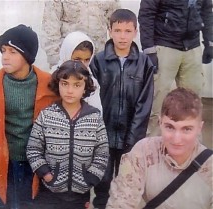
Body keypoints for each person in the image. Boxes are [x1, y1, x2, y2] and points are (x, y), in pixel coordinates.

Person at [0, 24, 58, 209]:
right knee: (8, 203)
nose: (5, 56)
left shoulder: (49, 85)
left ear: (27, 56)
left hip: (37, 161)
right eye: (3, 50)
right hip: (6, 161)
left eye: (12, 51)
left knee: (34, 204)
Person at [89, 9, 155, 209]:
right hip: (104, 135)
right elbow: (92, 100)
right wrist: (98, 132)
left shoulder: (144, 63)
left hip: (130, 137)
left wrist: (133, 139)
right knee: (103, 182)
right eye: (117, 30)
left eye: (127, 31)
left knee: (127, 182)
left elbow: (144, 105)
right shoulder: (98, 61)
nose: (122, 36)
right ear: (109, 31)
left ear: (136, 31)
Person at [106, 87, 212, 209]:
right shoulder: (144, 151)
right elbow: (120, 202)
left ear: (200, 128)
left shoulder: (210, 167)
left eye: (187, 129)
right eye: (170, 127)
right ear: (160, 123)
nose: (176, 139)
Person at [26, 60, 109, 209]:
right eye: (65, 83)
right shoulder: (47, 115)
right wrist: (46, 174)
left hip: (80, 195)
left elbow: (102, 154)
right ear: (58, 84)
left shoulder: (94, 118)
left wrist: (90, 178)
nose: (70, 90)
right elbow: (33, 149)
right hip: (49, 194)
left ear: (85, 87)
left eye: (77, 85)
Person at [138, 0, 213, 136]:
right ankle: (151, 149)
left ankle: (194, 150)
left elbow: (206, 10)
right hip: (164, 45)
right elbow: (147, 13)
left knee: (193, 104)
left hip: (192, 47)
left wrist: (209, 42)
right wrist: (149, 49)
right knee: (157, 103)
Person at [41, 0, 119, 69]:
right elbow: (50, 29)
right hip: (69, 62)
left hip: (98, 62)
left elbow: (117, 25)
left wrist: (114, 60)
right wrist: (58, 64)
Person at [51, 31, 102, 113]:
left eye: (87, 60)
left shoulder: (91, 81)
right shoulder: (52, 77)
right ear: (67, 54)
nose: (82, 64)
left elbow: (97, 112)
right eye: (77, 59)